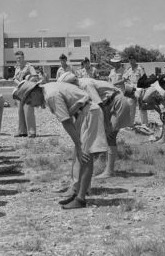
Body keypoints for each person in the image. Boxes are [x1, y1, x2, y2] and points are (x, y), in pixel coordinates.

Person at [13, 79, 108, 209]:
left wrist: (79, 145)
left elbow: (66, 121)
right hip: (83, 113)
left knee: (85, 155)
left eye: (30, 102)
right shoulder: (47, 89)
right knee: (81, 156)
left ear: (33, 94)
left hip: (89, 113)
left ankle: (81, 199)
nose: (32, 106)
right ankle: (78, 193)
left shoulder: (51, 95)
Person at [71, 75, 132, 179]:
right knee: (108, 135)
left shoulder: (85, 85)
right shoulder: (83, 81)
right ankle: (105, 164)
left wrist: (106, 123)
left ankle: (109, 171)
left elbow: (100, 104)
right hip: (113, 102)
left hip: (116, 102)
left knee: (110, 136)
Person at [13, 50, 39, 138]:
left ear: (23, 57)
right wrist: (18, 82)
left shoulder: (29, 66)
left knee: (28, 111)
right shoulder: (17, 67)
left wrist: (26, 80)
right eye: (17, 59)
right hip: (20, 91)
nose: (18, 60)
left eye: (20, 58)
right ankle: (22, 131)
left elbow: (35, 77)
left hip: (28, 91)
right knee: (20, 111)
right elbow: (14, 78)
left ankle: (32, 132)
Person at [123, 54, 148, 128]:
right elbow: (124, 78)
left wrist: (142, 89)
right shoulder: (129, 69)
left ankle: (144, 124)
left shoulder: (140, 68)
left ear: (135, 60)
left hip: (139, 89)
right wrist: (127, 83)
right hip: (131, 89)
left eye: (132, 60)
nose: (131, 61)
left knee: (142, 107)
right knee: (130, 106)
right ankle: (130, 124)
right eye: (130, 60)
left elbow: (144, 79)